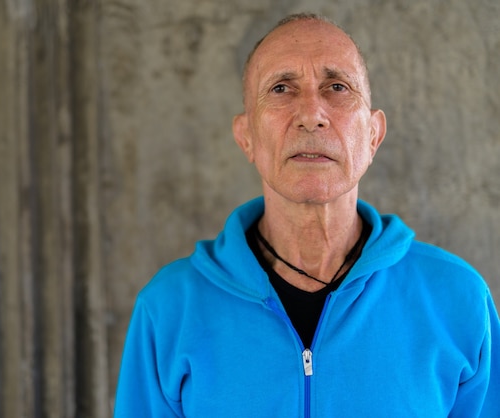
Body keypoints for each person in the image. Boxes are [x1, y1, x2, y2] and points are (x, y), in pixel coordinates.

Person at [114, 12, 500, 417]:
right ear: (246, 136)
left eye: (337, 87)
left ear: (373, 135)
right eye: (281, 88)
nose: (311, 113)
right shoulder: (169, 308)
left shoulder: (457, 299)